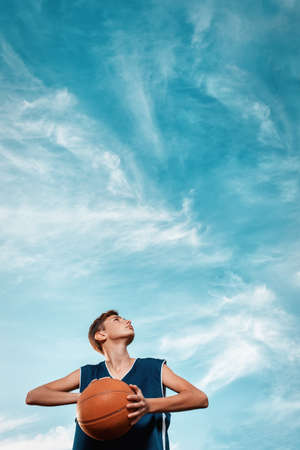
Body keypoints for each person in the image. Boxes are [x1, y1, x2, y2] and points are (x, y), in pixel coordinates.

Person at [26, 310, 209, 449]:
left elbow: (199, 398)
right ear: (101, 335)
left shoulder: (153, 368)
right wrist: (83, 397)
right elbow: (34, 395)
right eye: (117, 320)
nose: (127, 321)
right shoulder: (88, 373)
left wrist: (148, 405)